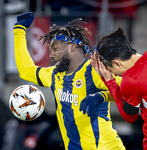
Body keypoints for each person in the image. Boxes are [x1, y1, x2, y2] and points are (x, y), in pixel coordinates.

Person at [13, 12, 125, 150]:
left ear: (72, 47)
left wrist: (103, 96)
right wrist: (19, 31)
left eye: (55, 49)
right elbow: (26, 70)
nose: (51, 55)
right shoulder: (54, 75)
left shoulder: (94, 71)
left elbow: (129, 93)